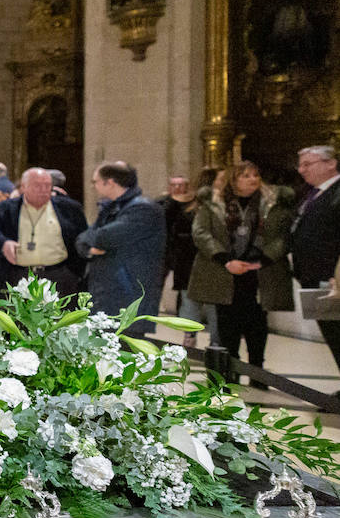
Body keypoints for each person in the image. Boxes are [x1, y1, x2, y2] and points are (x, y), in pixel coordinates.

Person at [187, 161, 294, 384]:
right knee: (227, 325)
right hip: (224, 273)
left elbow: (283, 236)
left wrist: (263, 260)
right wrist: (226, 260)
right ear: (233, 180)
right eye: (245, 176)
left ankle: (258, 372)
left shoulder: (273, 203)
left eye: (255, 175)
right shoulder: (214, 203)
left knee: (257, 324)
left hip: (259, 273)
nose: (253, 179)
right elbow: (201, 233)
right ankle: (229, 371)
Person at [76, 161, 166, 337]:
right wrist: (88, 246)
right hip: (108, 294)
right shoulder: (112, 207)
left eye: (95, 182)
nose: (94, 187)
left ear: (110, 182)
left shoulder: (143, 209)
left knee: (125, 354)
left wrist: (92, 241)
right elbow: (81, 239)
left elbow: (103, 237)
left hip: (128, 295)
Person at [0, 167, 87, 298]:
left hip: (59, 275)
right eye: (37, 185)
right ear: (23, 187)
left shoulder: (69, 208)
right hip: (18, 276)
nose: (43, 190)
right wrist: (4, 243)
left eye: (47, 185)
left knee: (60, 317)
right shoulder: (6, 208)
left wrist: (75, 273)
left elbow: (83, 237)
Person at [291, 145, 340, 370]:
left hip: (332, 280)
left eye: (307, 164)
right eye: (300, 165)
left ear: (330, 163)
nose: (301, 170)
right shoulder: (312, 193)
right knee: (332, 334)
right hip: (313, 277)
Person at [162, 173, 214, 347]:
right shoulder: (167, 204)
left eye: (181, 185)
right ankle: (189, 338)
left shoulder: (203, 207)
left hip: (206, 260)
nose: (178, 189)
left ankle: (216, 341)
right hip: (184, 261)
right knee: (188, 300)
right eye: (174, 185)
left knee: (212, 302)